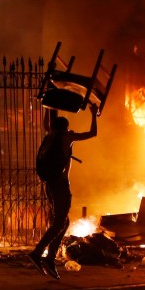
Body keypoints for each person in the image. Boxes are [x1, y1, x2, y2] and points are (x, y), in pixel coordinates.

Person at [28, 103, 98, 279]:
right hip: (60, 185)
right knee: (59, 223)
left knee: (63, 222)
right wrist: (93, 114)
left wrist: (47, 107)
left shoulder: (50, 135)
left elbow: (46, 124)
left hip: (49, 185)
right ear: (66, 127)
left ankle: (50, 259)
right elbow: (92, 133)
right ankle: (38, 253)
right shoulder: (67, 137)